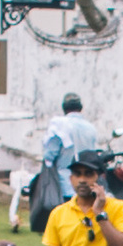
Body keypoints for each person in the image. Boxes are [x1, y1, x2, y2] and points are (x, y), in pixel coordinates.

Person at [32, 93, 94, 233]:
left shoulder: (60, 126)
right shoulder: (91, 128)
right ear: (81, 108)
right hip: (88, 181)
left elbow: (50, 154)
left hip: (66, 182)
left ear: (64, 109)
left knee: (68, 221)